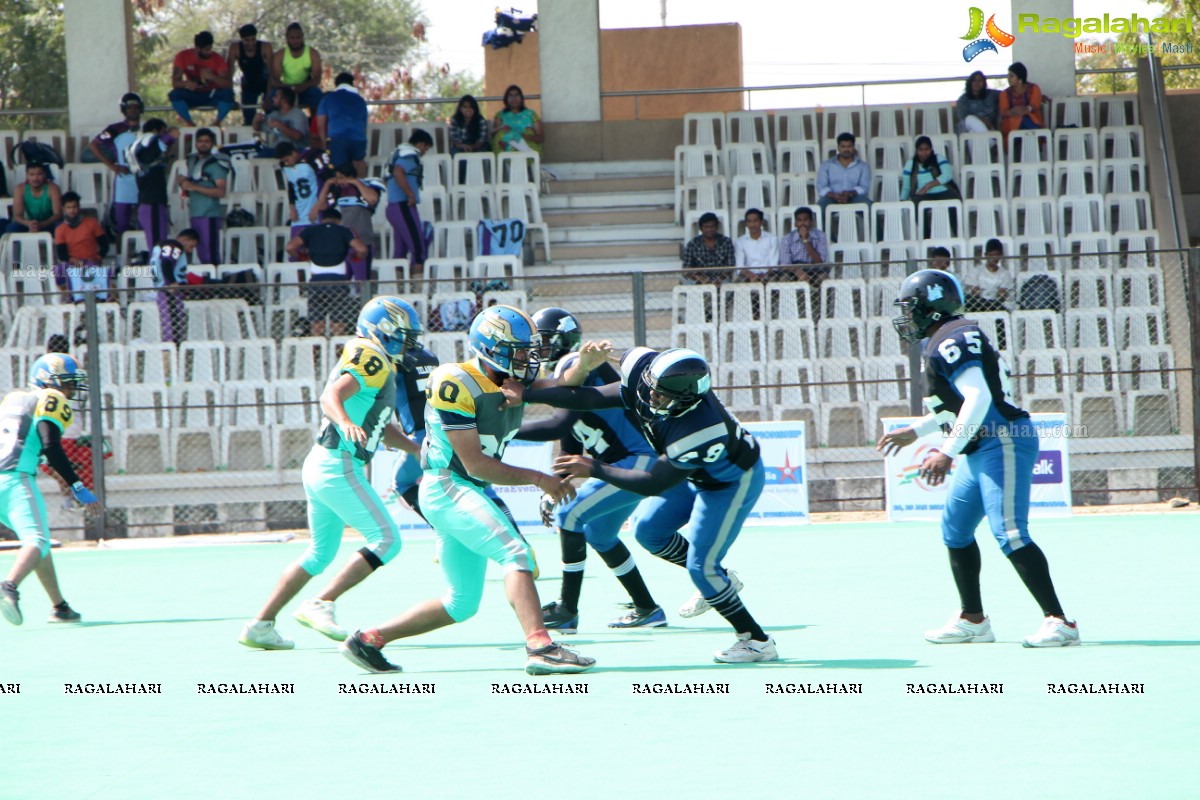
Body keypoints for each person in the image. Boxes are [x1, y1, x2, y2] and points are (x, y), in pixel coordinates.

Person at [338, 305, 594, 676]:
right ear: (492, 348)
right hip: (448, 486)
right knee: (515, 552)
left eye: (530, 351)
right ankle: (541, 645)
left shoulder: (509, 381)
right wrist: (541, 479)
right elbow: (476, 465)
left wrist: (585, 363)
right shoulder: (456, 380)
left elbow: (563, 383)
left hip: (460, 489)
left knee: (461, 604)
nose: (529, 359)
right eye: (520, 351)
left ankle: (368, 640)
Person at [505, 347, 779, 664]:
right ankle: (720, 580)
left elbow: (653, 482)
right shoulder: (645, 373)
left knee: (702, 567)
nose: (650, 396)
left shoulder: (699, 430)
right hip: (690, 471)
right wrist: (527, 394)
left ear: (686, 399)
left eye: (661, 395)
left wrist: (594, 468)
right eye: (650, 386)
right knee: (647, 530)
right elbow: (591, 397)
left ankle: (756, 640)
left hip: (729, 482)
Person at [877, 269, 1079, 648]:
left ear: (931, 308)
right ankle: (973, 619)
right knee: (955, 529)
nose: (907, 317)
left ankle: (1060, 621)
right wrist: (917, 432)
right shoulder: (946, 336)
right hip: (982, 444)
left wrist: (945, 451)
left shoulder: (950, 339)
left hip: (1001, 439)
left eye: (912, 308)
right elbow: (957, 406)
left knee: (1011, 533)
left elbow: (979, 398)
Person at [239, 297, 424, 650]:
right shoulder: (372, 356)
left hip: (321, 463)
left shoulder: (375, 359)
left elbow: (379, 425)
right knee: (387, 540)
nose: (407, 343)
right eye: (401, 335)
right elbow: (331, 396)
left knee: (319, 553)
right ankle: (321, 602)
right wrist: (344, 421)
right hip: (338, 464)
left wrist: (415, 449)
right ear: (382, 331)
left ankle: (259, 625)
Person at [520, 308, 681, 633]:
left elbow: (558, 424)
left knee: (571, 518)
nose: (541, 348)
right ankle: (647, 608)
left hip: (636, 459)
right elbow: (569, 443)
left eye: (546, 340)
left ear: (566, 339)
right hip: (628, 461)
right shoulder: (564, 373)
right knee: (600, 534)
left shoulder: (571, 366)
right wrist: (557, 486)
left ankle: (567, 609)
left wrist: (504, 432)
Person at [0, 353, 97, 627]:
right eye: (67, 382)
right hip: (14, 479)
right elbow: (51, 445)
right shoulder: (50, 400)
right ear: (49, 381)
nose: (71, 389)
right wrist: (77, 485)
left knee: (38, 543)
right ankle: (9, 586)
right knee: (38, 540)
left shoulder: (13, 399)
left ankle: (60, 607)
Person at [287, 207, 368, 337]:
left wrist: (301, 256)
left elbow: (290, 247)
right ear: (338, 220)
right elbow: (362, 249)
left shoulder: (309, 230)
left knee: (316, 323)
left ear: (322, 219)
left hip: (316, 281)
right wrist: (355, 258)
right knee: (338, 323)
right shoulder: (345, 231)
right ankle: (338, 354)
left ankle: (317, 355)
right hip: (337, 281)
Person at [315, 163, 383, 287]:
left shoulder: (363, 188)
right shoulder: (338, 192)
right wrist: (328, 184)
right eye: (337, 178)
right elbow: (321, 206)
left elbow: (372, 199)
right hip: (342, 245)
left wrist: (355, 182)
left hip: (362, 242)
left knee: (362, 283)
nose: (339, 181)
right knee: (341, 283)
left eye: (342, 177)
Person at [87, 92, 144, 236]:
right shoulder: (114, 129)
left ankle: (144, 255)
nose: (132, 110)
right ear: (124, 110)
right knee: (121, 224)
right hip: (124, 179)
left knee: (144, 221)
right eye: (129, 107)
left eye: (136, 107)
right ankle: (120, 257)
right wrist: (111, 165)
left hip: (143, 178)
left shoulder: (147, 129)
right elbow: (94, 145)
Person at [175, 127, 230, 265]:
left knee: (210, 256)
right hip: (195, 212)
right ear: (195, 143)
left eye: (207, 141)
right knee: (200, 253)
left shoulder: (217, 164)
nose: (203, 144)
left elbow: (221, 192)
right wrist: (183, 182)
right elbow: (191, 185)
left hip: (209, 213)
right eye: (200, 141)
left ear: (212, 144)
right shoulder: (192, 161)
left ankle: (214, 285)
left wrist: (194, 187)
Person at [386, 129, 432, 276]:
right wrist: (410, 194)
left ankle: (398, 288)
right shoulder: (410, 156)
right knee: (418, 248)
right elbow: (398, 172)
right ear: (420, 144)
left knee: (400, 249)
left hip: (393, 207)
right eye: (426, 148)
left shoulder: (397, 153)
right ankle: (417, 290)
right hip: (403, 206)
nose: (425, 152)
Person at [128, 119, 179, 248]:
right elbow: (175, 133)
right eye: (163, 132)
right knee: (157, 247)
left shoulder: (139, 146)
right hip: (153, 204)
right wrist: (165, 134)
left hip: (148, 202)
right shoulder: (152, 144)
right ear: (156, 132)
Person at [277, 142, 333, 258]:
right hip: (299, 216)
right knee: (296, 254)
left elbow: (329, 182)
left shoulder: (313, 157)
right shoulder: (284, 165)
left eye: (287, 159)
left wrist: (319, 206)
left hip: (317, 214)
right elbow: (291, 186)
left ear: (294, 153)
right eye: (284, 161)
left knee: (318, 253)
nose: (287, 163)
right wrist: (292, 207)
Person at [169, 31, 236, 125]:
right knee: (174, 95)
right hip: (193, 93)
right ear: (197, 48)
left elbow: (228, 84)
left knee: (228, 94)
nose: (209, 52)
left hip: (212, 94)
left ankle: (217, 123)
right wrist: (186, 83)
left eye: (210, 49)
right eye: (206, 50)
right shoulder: (183, 56)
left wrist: (213, 77)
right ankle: (190, 123)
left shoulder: (217, 59)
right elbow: (175, 83)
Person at [53, 191, 110, 302]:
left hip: (90, 260)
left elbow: (104, 245)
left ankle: (99, 299)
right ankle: (73, 299)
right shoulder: (60, 229)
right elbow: (62, 254)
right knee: (59, 273)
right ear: (63, 209)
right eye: (68, 207)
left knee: (92, 272)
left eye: (74, 207)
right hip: (71, 262)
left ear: (79, 207)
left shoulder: (92, 223)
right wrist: (72, 260)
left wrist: (98, 257)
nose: (72, 210)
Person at [902, 135, 959, 237]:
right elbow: (906, 187)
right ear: (916, 150)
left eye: (927, 149)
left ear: (931, 149)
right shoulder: (911, 164)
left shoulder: (938, 158)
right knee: (916, 204)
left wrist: (927, 186)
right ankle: (926, 239)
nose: (924, 153)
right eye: (921, 150)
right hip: (923, 195)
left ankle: (958, 235)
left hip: (943, 191)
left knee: (954, 202)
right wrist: (902, 201)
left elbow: (947, 175)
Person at [149, 229, 199, 344]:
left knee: (169, 320)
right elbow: (166, 262)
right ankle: (174, 349)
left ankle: (172, 347)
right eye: (192, 246)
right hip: (169, 290)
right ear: (185, 240)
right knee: (173, 322)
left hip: (162, 289)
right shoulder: (175, 246)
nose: (192, 250)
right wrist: (172, 282)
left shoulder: (159, 247)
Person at [316, 73, 369, 178]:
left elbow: (320, 125)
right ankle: (362, 188)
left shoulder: (328, 98)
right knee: (359, 163)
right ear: (352, 84)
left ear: (336, 84)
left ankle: (343, 193)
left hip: (338, 138)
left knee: (340, 170)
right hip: (358, 138)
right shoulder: (360, 100)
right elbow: (364, 125)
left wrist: (324, 143)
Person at [270, 22, 323, 115]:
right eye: (292, 38)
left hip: (306, 88)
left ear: (302, 37)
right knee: (272, 96)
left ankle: (316, 124)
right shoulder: (280, 55)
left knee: (317, 94)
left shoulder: (313, 53)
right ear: (287, 38)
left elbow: (317, 79)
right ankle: (273, 123)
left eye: (298, 37)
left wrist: (303, 86)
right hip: (285, 89)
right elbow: (274, 80)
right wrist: (289, 88)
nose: (295, 41)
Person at [227, 24, 273, 126]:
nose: (251, 43)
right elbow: (229, 74)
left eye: (253, 40)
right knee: (248, 118)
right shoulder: (235, 48)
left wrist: (268, 97)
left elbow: (272, 74)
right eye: (247, 40)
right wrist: (231, 98)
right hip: (248, 83)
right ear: (242, 40)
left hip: (265, 81)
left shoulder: (265, 47)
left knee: (271, 112)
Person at [817, 132, 872, 217]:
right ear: (838, 147)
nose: (846, 149)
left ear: (854, 147)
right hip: (832, 198)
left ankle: (878, 231)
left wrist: (850, 194)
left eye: (849, 146)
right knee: (819, 208)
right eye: (843, 146)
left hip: (855, 197)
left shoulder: (863, 166)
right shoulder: (826, 165)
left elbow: (864, 187)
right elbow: (821, 187)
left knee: (870, 207)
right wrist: (834, 195)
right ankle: (821, 231)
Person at [6, 163, 62, 238]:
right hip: (29, 224)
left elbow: (57, 214)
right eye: (31, 175)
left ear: (44, 175)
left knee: (60, 227)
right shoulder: (20, 189)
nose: (35, 178)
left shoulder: (53, 188)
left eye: (39, 174)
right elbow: (17, 215)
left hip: (48, 223)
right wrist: (28, 223)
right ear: (27, 176)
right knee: (11, 228)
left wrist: (42, 224)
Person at [779, 206, 830, 284]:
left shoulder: (820, 235)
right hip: (793, 270)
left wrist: (805, 240)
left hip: (814, 270)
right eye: (799, 220)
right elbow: (785, 263)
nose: (802, 223)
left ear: (812, 222)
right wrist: (797, 271)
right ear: (795, 223)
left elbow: (820, 261)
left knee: (824, 278)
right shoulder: (787, 238)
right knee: (783, 279)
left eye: (805, 220)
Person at [251, 87, 309, 156]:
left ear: (284, 101)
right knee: (258, 158)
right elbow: (258, 128)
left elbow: (297, 136)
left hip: (295, 150)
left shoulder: (298, 114)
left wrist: (280, 125)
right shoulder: (275, 114)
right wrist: (256, 121)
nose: (273, 98)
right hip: (276, 149)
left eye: (276, 96)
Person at [682, 211, 735, 285]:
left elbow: (730, 266)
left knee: (729, 285)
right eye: (706, 227)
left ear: (717, 227)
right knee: (686, 282)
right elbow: (686, 268)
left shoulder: (726, 242)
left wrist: (718, 280)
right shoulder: (693, 244)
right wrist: (700, 279)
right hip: (699, 281)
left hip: (721, 280)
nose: (709, 229)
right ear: (701, 228)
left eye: (712, 226)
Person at [999, 62, 1044, 147]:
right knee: (1023, 120)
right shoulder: (1004, 94)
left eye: (1011, 76)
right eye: (1008, 75)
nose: (1008, 78)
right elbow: (1003, 112)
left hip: (1032, 120)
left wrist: (1026, 109)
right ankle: (1037, 137)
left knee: (1026, 118)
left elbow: (1035, 106)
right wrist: (1014, 111)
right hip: (1011, 126)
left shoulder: (1034, 88)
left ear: (1020, 78)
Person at [964, 239, 1014, 312]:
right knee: (968, 300)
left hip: (997, 304)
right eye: (991, 255)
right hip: (979, 303)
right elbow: (973, 292)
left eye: (996, 255)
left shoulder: (1005, 274)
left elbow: (1002, 295)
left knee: (1000, 305)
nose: (993, 258)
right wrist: (975, 291)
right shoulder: (976, 271)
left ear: (1000, 256)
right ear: (985, 255)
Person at [491, 84, 543, 154]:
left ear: (521, 98)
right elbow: (493, 135)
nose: (514, 98)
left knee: (527, 132)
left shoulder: (531, 114)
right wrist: (501, 128)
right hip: (505, 148)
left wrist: (523, 136)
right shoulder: (500, 115)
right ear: (506, 99)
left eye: (517, 95)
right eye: (510, 96)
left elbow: (540, 138)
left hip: (528, 146)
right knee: (501, 134)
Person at [733, 207, 780, 282]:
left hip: (768, 274)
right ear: (746, 224)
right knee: (738, 283)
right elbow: (740, 266)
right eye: (749, 221)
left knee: (774, 280)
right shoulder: (740, 242)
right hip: (748, 275)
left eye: (755, 221)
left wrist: (764, 276)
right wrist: (751, 275)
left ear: (761, 222)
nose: (752, 224)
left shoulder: (772, 239)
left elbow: (773, 265)